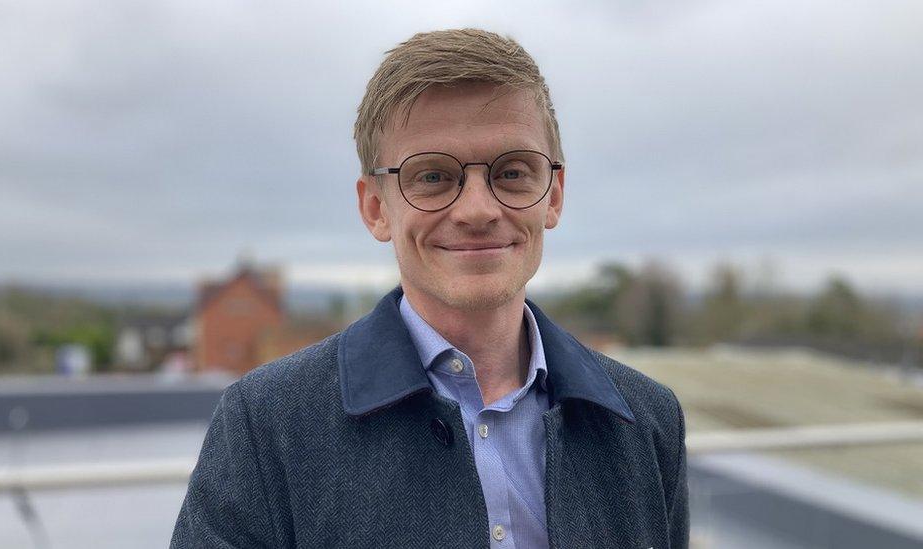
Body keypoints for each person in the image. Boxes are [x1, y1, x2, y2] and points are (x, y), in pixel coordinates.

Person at [171, 28, 688, 549]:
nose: (478, 210)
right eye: (433, 177)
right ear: (375, 208)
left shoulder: (646, 422)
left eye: (512, 172)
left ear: (552, 195)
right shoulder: (268, 427)